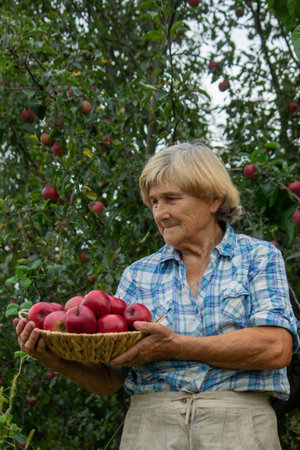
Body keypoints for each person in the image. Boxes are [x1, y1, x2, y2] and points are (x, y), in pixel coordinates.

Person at [14, 141, 299, 450]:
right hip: (152, 431)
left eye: (172, 199)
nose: (160, 213)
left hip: (239, 430)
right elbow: (112, 378)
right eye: (154, 202)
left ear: (214, 199)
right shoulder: (139, 275)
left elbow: (275, 348)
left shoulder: (258, 257)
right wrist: (57, 360)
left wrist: (176, 347)